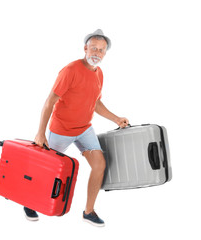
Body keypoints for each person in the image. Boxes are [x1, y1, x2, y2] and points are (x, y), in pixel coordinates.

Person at [24, 29, 129, 227]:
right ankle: (30, 202)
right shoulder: (70, 70)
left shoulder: (99, 74)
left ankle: (88, 212)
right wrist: (40, 132)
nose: (97, 53)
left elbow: (96, 103)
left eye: (101, 50)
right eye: (94, 48)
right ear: (85, 48)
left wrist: (116, 119)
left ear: (105, 53)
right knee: (48, 170)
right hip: (61, 130)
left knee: (99, 165)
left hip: (84, 129)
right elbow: (49, 102)